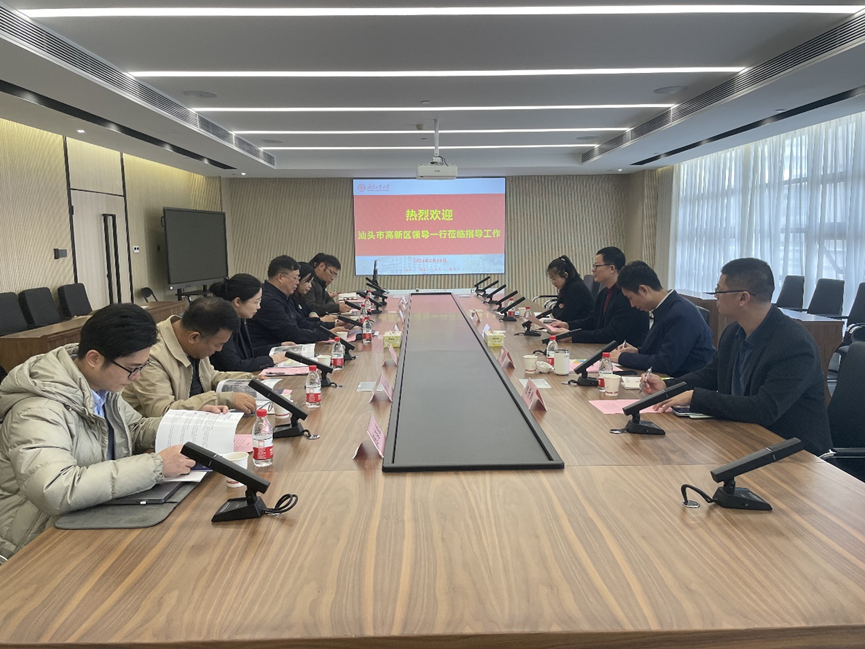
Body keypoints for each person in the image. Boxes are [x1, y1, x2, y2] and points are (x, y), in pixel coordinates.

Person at [0, 304, 205, 560]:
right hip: (37, 543)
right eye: (132, 368)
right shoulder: (38, 411)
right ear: (94, 359)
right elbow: (55, 489)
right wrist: (156, 466)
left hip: (89, 517)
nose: (137, 377)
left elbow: (134, 428)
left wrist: (193, 424)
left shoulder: (100, 386)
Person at [642, 257, 831, 455]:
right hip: (743, 437)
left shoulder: (794, 344)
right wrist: (667, 386)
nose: (715, 296)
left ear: (743, 298)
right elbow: (711, 375)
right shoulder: (734, 332)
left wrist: (696, 398)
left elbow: (765, 409)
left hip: (794, 453)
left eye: (719, 290)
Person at [123, 298, 257, 417]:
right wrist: (222, 399)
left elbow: (210, 377)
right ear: (194, 337)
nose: (219, 350)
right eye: (217, 344)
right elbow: (162, 411)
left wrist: (252, 380)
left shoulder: (194, 342)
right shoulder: (150, 355)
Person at [610, 261, 715, 376]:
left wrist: (623, 358)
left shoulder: (680, 314)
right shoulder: (666, 307)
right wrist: (638, 351)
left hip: (683, 381)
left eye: (631, 298)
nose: (632, 305)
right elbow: (661, 350)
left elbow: (666, 363)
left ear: (644, 290)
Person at [549, 247, 649, 346]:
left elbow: (611, 335)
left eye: (596, 266)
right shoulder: (604, 293)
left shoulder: (626, 296)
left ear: (611, 268)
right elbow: (592, 321)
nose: (593, 270)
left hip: (623, 352)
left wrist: (572, 336)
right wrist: (568, 325)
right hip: (603, 347)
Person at [209, 274, 290, 372]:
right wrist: (271, 360)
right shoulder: (222, 324)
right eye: (256, 302)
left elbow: (247, 353)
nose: (259, 307)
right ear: (237, 302)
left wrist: (277, 347)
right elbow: (235, 365)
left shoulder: (240, 318)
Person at [248, 255, 333, 349]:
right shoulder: (269, 300)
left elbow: (302, 322)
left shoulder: (285, 296)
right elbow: (292, 334)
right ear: (280, 277)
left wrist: (332, 326)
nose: (297, 282)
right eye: (295, 278)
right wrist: (328, 334)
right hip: (269, 352)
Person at [547, 255, 594, 323]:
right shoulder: (565, 287)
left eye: (554, 279)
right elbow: (555, 310)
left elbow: (564, 317)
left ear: (565, 275)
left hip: (582, 327)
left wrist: (561, 309)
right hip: (572, 324)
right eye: (551, 279)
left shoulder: (576, 288)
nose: (553, 282)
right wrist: (561, 309)